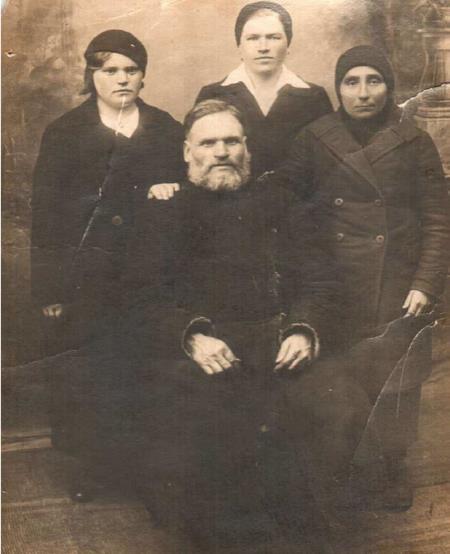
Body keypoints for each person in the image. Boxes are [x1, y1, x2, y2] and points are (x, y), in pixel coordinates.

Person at [122, 99, 377, 548]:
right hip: (205, 351)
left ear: (247, 149)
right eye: (208, 143)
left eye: (231, 141)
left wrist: (303, 329)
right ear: (187, 152)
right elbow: (141, 298)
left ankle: (306, 525)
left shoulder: (280, 203)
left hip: (278, 341)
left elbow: (320, 280)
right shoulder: (163, 211)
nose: (221, 152)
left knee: (343, 403)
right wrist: (193, 337)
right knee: (201, 420)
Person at [270, 45, 450, 509]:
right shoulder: (314, 138)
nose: (363, 92)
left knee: (396, 379)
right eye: (351, 82)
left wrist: (425, 283)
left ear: (389, 87)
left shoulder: (414, 141)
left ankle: (392, 466)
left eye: (374, 80)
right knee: (341, 381)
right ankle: (344, 470)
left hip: (397, 284)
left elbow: (438, 221)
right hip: (331, 285)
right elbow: (284, 203)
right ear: (338, 88)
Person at [30, 29, 185, 498]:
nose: (122, 79)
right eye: (110, 70)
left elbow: (190, 190)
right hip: (87, 281)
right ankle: (93, 470)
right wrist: (50, 289)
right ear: (92, 75)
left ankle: (145, 472)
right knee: (92, 372)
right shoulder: (65, 133)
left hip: (150, 276)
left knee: (145, 368)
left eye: (131, 70)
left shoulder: (165, 129)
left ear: (143, 76)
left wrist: (172, 190)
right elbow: (46, 216)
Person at [149, 1, 332, 200]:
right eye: (253, 38)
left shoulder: (314, 97)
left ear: (288, 44)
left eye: (273, 37)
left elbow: (327, 162)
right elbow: (196, 155)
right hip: (228, 203)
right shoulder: (214, 93)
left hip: (295, 204)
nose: (263, 47)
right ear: (239, 46)